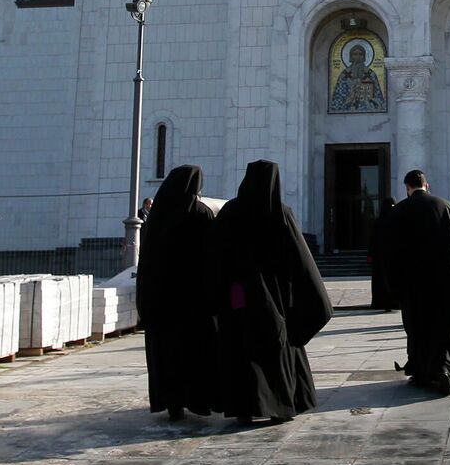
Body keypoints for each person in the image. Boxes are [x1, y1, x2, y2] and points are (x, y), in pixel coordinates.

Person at [208, 159, 333, 423]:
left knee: (241, 349)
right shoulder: (279, 212)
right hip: (275, 299)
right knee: (276, 348)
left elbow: (215, 255)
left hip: (238, 296)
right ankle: (278, 407)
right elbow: (299, 258)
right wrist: (312, 295)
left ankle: (244, 407)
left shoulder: (230, 212)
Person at [375, 168, 450, 394]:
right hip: (445, 280)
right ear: (426, 185)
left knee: (418, 327)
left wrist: (394, 286)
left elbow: (389, 253)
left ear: (407, 188)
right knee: (447, 324)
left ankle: (422, 371)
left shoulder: (398, 211)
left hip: (413, 285)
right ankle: (446, 367)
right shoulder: (444, 206)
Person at [136, 165, 217, 420]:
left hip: (162, 301)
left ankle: (171, 403)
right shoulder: (201, 213)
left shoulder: (156, 216)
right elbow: (213, 255)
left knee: (166, 353)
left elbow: (146, 262)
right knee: (195, 350)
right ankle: (199, 400)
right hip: (194, 299)